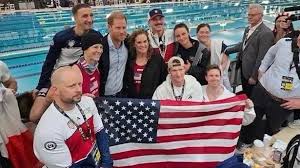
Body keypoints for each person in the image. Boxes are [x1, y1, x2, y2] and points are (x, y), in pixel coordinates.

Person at [31, 4, 102, 121]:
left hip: (77, 81)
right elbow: (49, 62)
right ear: (75, 18)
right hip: (57, 79)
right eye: (84, 16)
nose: (89, 19)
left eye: (91, 15)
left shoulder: (95, 36)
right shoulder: (62, 37)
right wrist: (40, 86)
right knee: (35, 116)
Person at [33, 66, 112, 168]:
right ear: (55, 90)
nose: (79, 89)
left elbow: (100, 133)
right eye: (72, 86)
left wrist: (106, 164)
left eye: (80, 84)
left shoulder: (87, 102)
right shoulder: (48, 131)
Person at [240, 31, 300, 144]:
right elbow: (270, 53)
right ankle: (244, 146)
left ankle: (261, 153)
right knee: (249, 120)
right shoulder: (284, 43)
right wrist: (261, 69)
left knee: (270, 130)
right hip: (262, 91)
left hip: (283, 103)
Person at [225, 4, 274, 98]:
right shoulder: (248, 29)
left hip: (252, 73)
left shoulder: (266, 33)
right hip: (244, 70)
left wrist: (254, 76)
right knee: (246, 95)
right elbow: (243, 45)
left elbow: (262, 58)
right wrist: (226, 50)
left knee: (252, 98)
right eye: (249, 15)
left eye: (253, 15)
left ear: (261, 15)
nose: (250, 17)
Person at [124, 29, 167, 98]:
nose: (143, 45)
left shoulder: (157, 60)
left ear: (148, 42)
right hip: (133, 102)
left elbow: (164, 81)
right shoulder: (129, 61)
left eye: (145, 41)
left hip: (152, 101)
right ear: (134, 44)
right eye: (139, 42)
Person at [98, 11, 129, 97]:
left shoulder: (128, 44)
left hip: (121, 93)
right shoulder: (100, 47)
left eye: (124, 27)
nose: (122, 31)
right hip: (103, 95)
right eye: (118, 28)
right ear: (109, 27)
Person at [197, 23, 232, 91]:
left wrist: (217, 73)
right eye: (201, 32)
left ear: (210, 33)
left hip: (218, 78)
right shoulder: (195, 48)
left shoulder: (219, 45)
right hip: (202, 80)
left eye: (207, 32)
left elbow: (225, 59)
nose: (204, 34)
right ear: (197, 34)